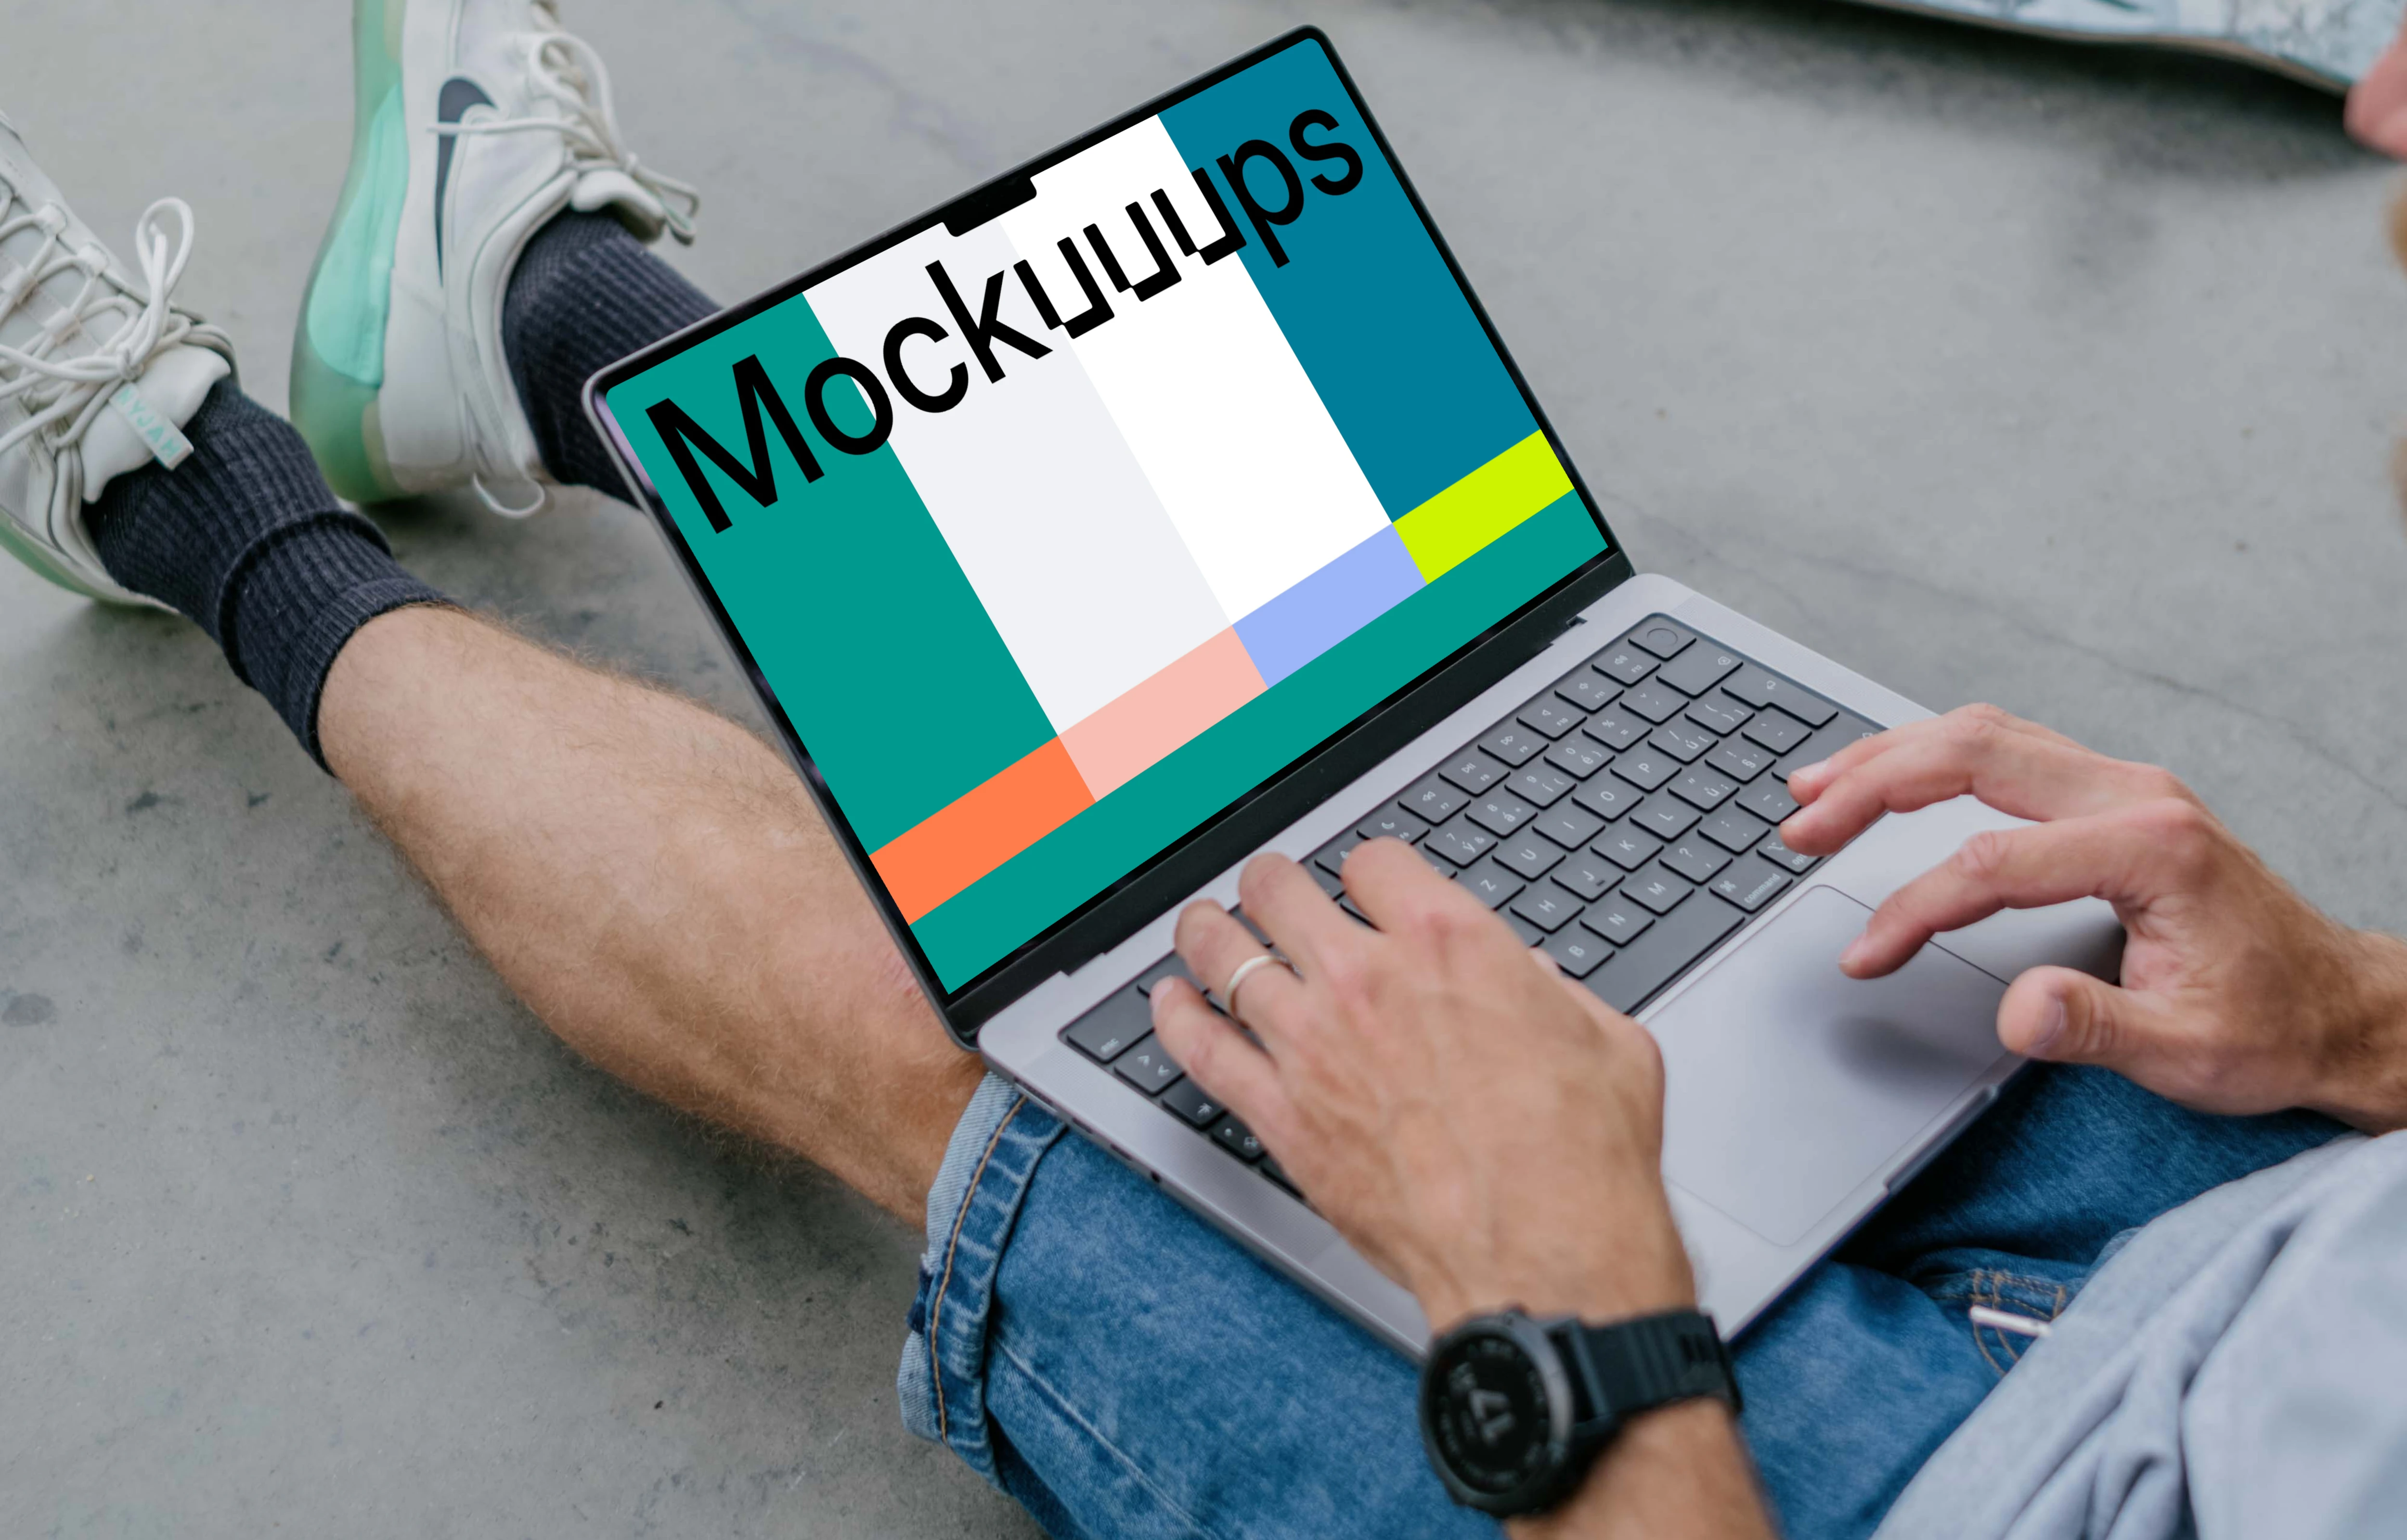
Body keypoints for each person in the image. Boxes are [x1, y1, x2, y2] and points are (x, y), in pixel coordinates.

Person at [6, 5, 2405, 1536]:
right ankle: (538, 332)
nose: (2384, 108)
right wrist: (2369, 1016)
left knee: (1017, 1034)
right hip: (2307, 1264)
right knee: (1275, 717)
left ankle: (178, 490)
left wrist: (1569, 1311)